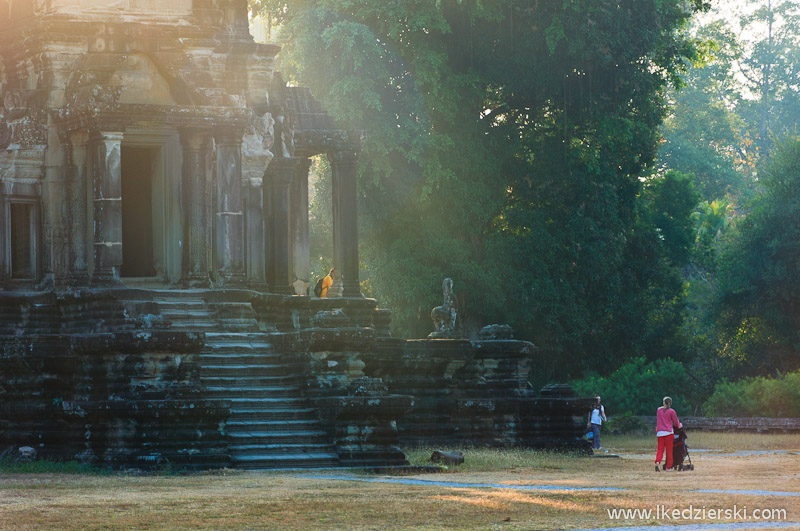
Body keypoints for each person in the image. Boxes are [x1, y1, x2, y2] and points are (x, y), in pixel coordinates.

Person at [655, 396, 682, 472]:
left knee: (660, 449)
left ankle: (658, 461)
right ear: (670, 403)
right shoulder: (671, 411)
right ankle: (668, 467)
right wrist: (680, 426)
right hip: (668, 433)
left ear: (663, 402)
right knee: (669, 450)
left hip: (660, 432)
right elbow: (676, 422)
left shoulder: (659, 410)